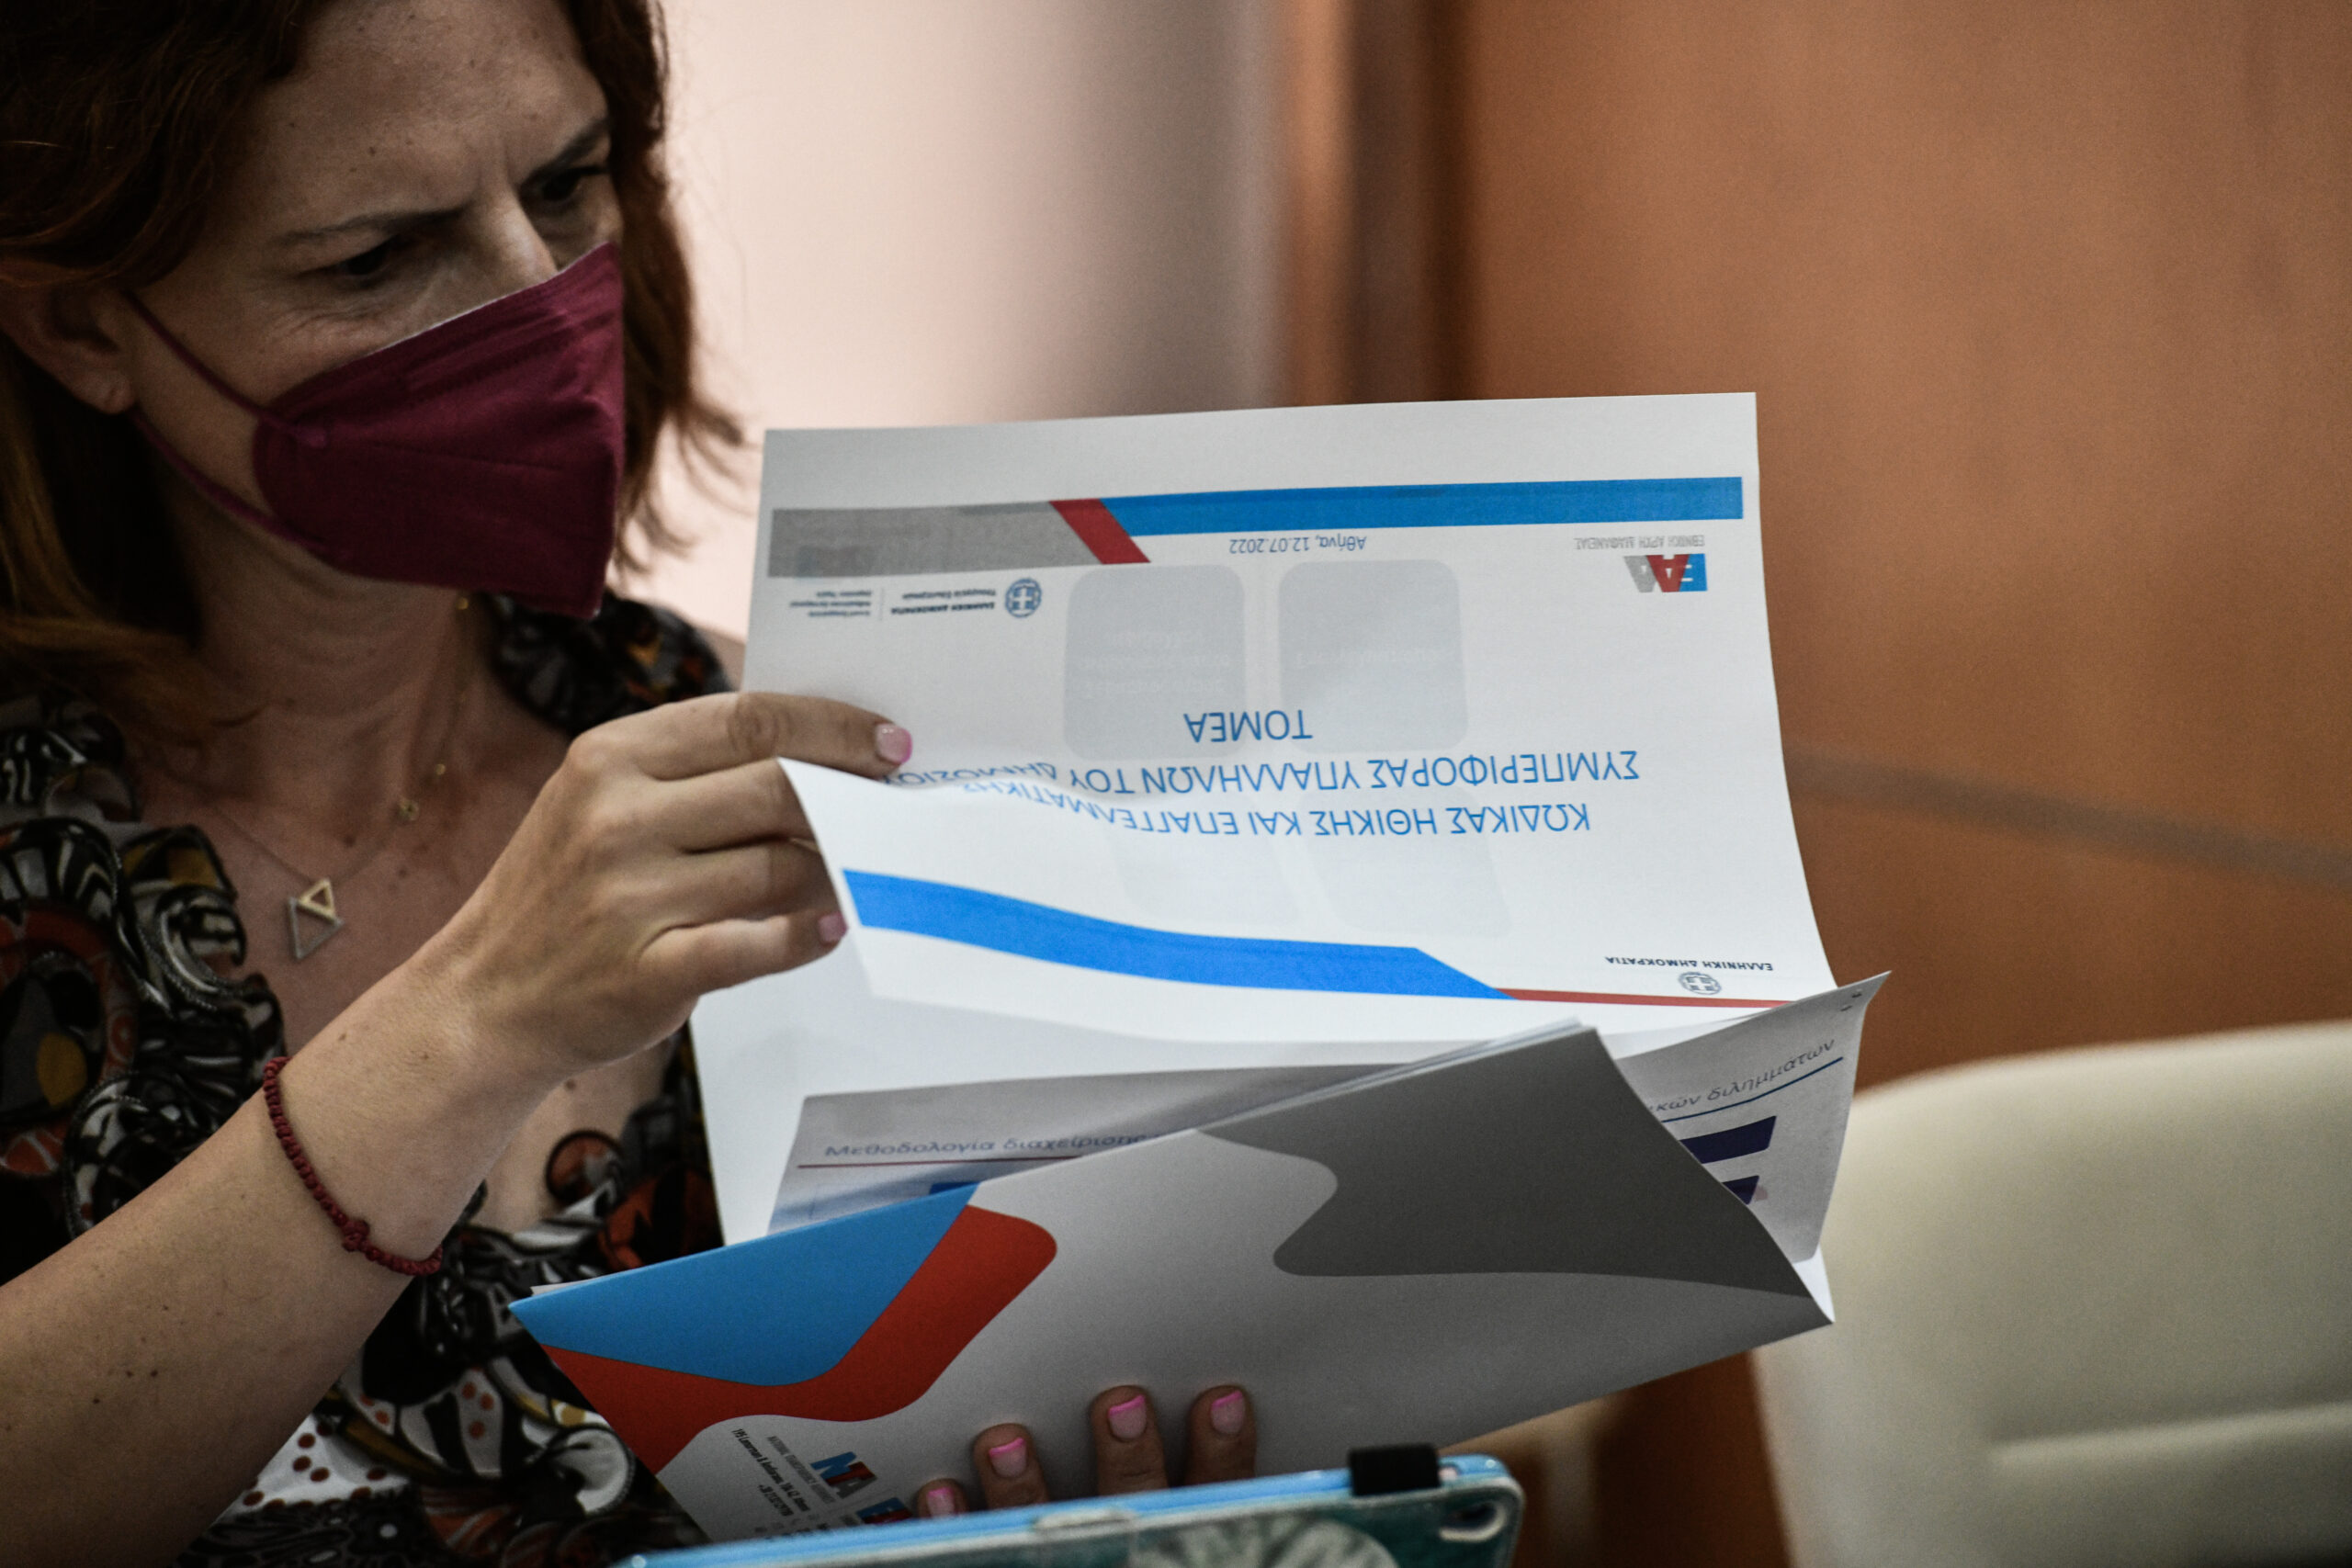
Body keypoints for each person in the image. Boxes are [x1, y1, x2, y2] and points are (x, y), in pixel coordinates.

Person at [0, 3, 1255, 1562]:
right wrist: (477, 1019)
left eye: (566, 185)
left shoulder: (785, 764)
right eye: (377, 258)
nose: (537, 297)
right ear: (84, 327)